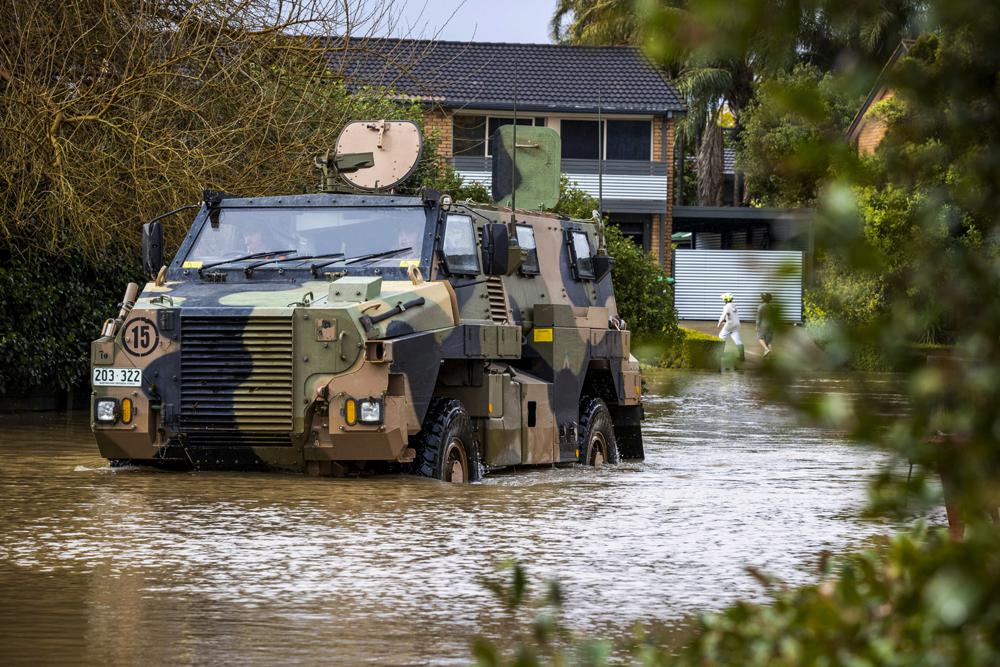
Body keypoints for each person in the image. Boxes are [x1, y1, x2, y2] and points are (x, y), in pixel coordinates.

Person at [717, 293, 744, 361]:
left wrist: (719, 323)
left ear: (726, 299)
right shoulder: (734, 305)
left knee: (721, 337)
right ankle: (742, 357)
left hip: (730, 325)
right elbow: (732, 315)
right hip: (736, 325)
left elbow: (723, 315)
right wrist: (726, 321)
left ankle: (721, 353)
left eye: (724, 299)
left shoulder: (726, 306)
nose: (723, 300)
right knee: (737, 341)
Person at [756, 292, 775, 357]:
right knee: (769, 341)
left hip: (763, 326)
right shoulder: (772, 307)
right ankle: (770, 355)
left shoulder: (760, 307)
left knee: (760, 338)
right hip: (771, 326)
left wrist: (757, 326)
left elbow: (758, 318)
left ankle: (766, 349)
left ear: (763, 299)